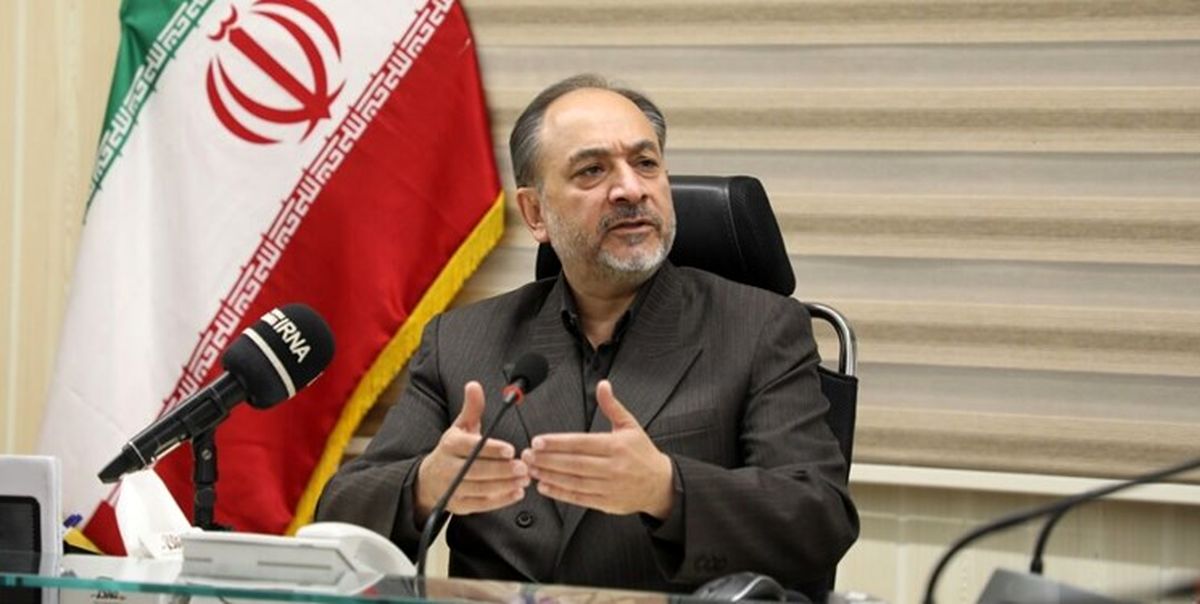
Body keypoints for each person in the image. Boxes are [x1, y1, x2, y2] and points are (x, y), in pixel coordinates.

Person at [316, 74, 858, 593]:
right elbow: (338, 513)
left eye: (645, 163)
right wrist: (425, 485)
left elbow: (819, 518)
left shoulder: (759, 326)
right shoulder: (461, 339)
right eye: (592, 171)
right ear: (536, 213)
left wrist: (666, 489)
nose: (630, 189)